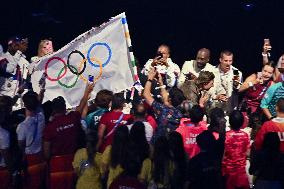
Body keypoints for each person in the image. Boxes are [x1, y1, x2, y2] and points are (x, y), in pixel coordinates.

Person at [43, 83, 93, 160]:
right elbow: (81, 106)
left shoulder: (49, 127)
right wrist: (87, 92)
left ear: (53, 110)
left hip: (57, 164)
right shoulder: (73, 117)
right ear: (65, 107)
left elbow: (46, 153)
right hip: (75, 159)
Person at [143, 68, 184, 144]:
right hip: (171, 146)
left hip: (158, 145)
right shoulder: (181, 114)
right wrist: (161, 83)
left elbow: (146, 95)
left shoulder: (163, 109)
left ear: (170, 99)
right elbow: (166, 100)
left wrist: (150, 79)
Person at [222, 110, 250, 189]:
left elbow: (223, 155)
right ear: (242, 122)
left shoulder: (226, 136)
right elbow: (248, 153)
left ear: (230, 122)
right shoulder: (245, 135)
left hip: (228, 173)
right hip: (241, 174)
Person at [0, 36, 29, 100]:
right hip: (4, 97)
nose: (18, 47)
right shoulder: (3, 57)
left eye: (19, 45)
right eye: (16, 45)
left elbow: (25, 79)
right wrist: (19, 52)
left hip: (19, 99)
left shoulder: (24, 61)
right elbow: (9, 69)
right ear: (9, 45)